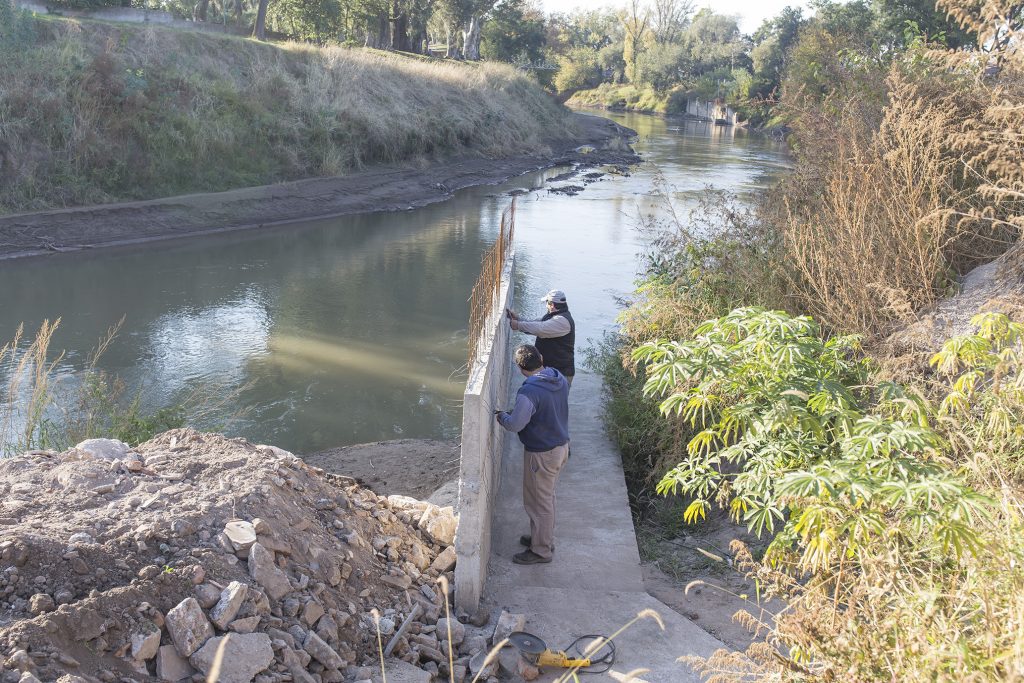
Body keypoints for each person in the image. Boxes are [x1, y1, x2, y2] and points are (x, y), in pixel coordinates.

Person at [495, 344, 570, 565]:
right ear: (541, 358)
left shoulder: (529, 392)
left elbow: (516, 424)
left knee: (539, 503)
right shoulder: (559, 379)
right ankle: (541, 538)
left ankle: (541, 550)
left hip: (542, 455)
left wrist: (502, 417)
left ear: (520, 368)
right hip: (561, 447)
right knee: (546, 499)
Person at [506, 289, 575, 388]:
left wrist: (518, 325)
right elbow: (537, 323)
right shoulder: (555, 317)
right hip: (553, 371)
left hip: (560, 373)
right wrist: (518, 319)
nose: (546, 306)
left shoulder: (562, 321)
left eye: (547, 303)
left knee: (553, 402)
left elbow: (540, 329)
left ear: (552, 305)